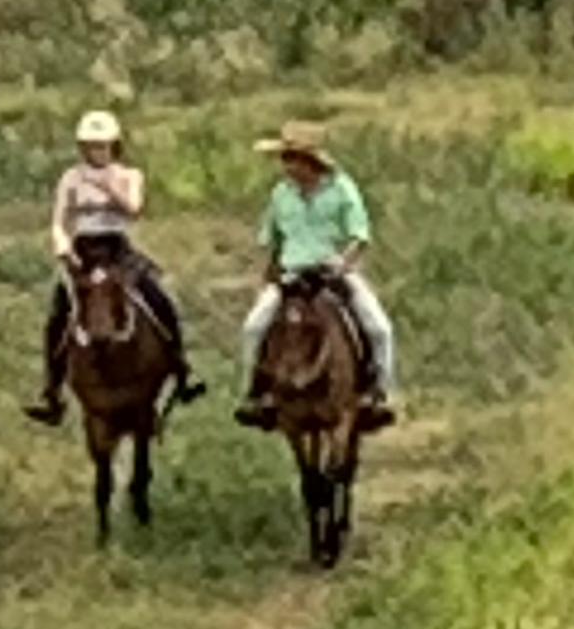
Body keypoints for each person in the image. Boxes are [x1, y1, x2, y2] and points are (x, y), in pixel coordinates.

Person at [25, 109, 201, 426]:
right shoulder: (70, 178)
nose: (97, 153)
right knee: (59, 313)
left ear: (114, 147)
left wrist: (106, 185)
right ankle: (52, 390)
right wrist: (63, 249)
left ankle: (181, 369)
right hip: (83, 251)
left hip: (116, 249)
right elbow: (59, 220)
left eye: (102, 146)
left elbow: (134, 208)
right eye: (91, 147)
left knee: (159, 299)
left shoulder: (129, 176)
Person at [236, 123, 396, 428]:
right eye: (284, 159)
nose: (285, 166)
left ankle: (379, 392)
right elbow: (272, 239)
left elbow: (359, 235)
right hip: (291, 274)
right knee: (254, 326)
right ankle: (256, 392)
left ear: (308, 161)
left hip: (332, 272)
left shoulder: (342, 188)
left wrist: (344, 264)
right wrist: (270, 273)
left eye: (290, 158)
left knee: (379, 327)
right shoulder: (281, 194)